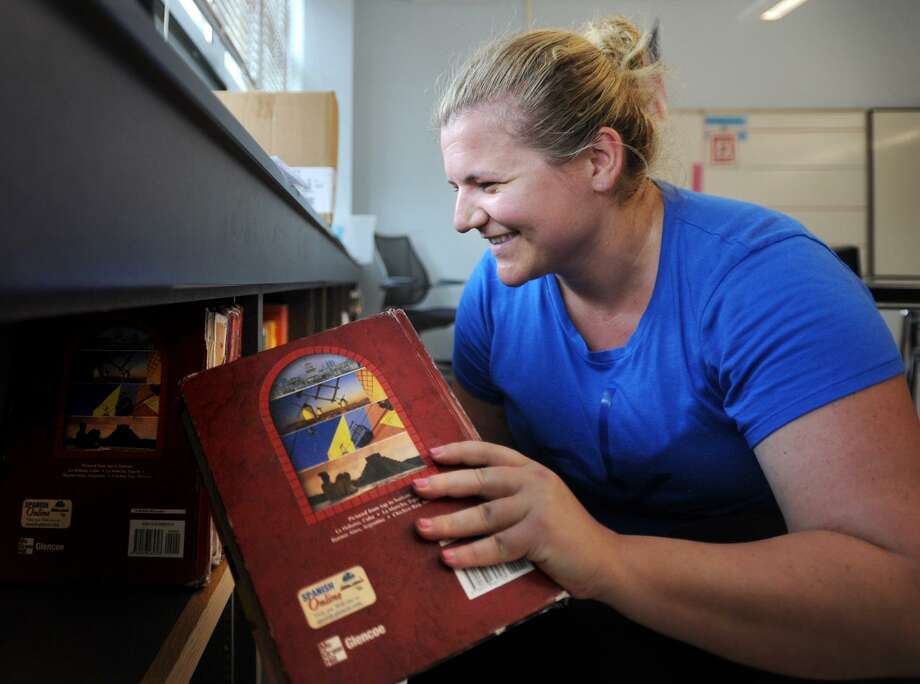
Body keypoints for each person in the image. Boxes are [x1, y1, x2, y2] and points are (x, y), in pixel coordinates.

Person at [408, 15, 920, 682]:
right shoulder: (497, 293)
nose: (462, 217)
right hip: (577, 607)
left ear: (598, 161)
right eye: (457, 187)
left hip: (756, 629)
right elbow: (477, 481)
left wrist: (604, 556)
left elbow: (900, 608)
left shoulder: (770, 284)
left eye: (488, 184)